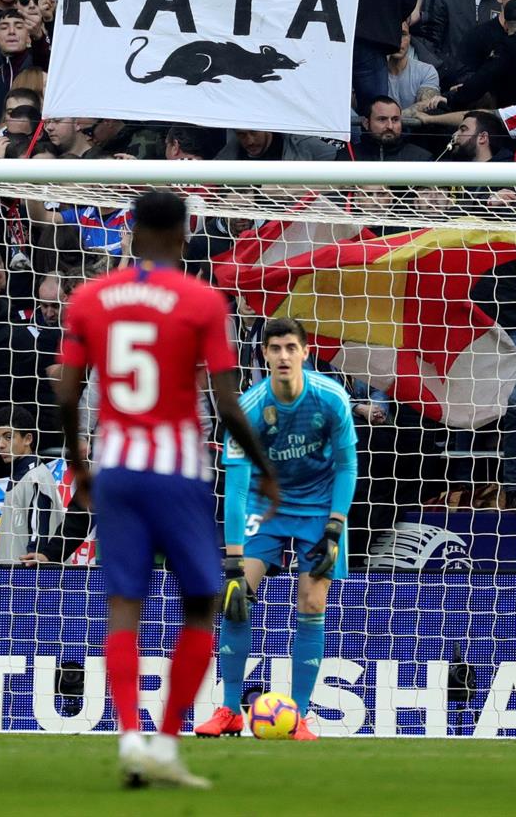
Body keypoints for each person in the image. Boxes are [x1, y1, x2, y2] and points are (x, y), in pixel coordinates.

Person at [56, 189, 277, 787]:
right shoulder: (203, 301)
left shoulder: (90, 297)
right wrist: (264, 467)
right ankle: (166, 742)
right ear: (184, 235)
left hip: (116, 467)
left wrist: (79, 464)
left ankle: (130, 735)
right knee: (201, 602)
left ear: (130, 232)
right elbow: (226, 402)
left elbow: (67, 390)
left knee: (124, 605)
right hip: (178, 469)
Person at [194, 317, 357, 741]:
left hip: (319, 503)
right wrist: (233, 563)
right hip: (264, 502)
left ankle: (298, 715)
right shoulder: (247, 410)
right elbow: (235, 489)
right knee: (235, 598)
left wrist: (335, 528)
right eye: (275, 348)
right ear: (264, 354)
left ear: (305, 352)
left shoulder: (331, 398)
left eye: (291, 348)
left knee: (312, 602)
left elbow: (347, 466)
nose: (284, 356)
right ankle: (230, 709)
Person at [0, 404, 64, 562]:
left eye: (8, 437)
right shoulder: (21, 474)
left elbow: (38, 540)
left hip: (28, 575)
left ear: (28, 439)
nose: (0, 445)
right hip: (13, 572)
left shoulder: (35, 477)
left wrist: (34, 553)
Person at [338, 94, 433, 160]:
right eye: (382, 119)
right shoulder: (347, 157)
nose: (390, 126)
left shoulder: (421, 158)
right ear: (366, 123)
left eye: (395, 120)